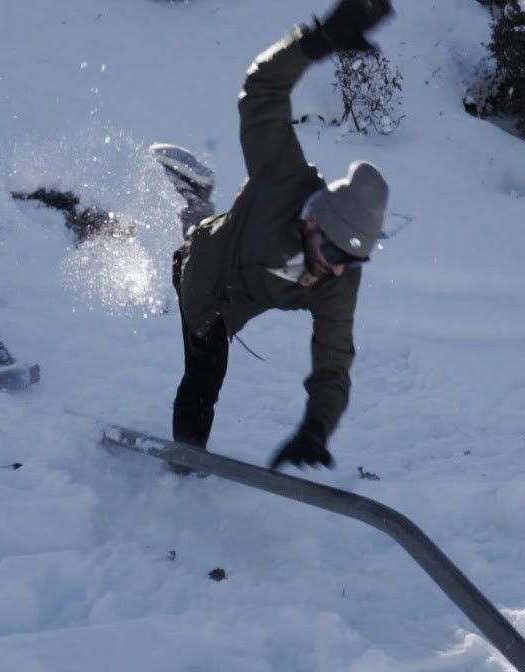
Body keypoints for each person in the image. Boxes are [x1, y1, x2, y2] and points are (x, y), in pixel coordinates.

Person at [152, 0, 394, 472]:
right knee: (204, 375)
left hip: (239, 283)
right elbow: (261, 89)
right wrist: (314, 41)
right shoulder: (284, 180)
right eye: (332, 250)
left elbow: (333, 363)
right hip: (203, 277)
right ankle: (183, 469)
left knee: (216, 233)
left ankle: (197, 199)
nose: (337, 267)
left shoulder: (339, 277)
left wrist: (316, 427)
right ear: (313, 219)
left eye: (352, 260)